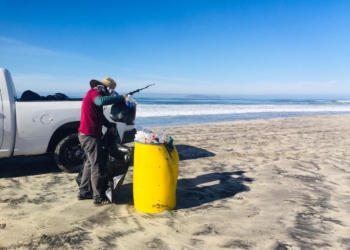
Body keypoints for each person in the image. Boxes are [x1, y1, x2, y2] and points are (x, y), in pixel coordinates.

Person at [77, 77, 126, 206]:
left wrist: (109, 125)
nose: (110, 94)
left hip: (87, 135)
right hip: (90, 137)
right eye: (111, 91)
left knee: (89, 163)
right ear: (105, 88)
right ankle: (98, 198)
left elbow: (99, 115)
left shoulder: (92, 94)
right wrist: (121, 98)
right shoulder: (94, 94)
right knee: (96, 166)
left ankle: (83, 192)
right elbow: (100, 101)